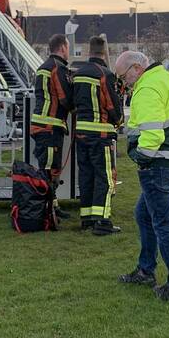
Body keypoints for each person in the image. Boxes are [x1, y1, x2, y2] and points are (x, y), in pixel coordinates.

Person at [113, 51, 169, 301]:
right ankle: (146, 269)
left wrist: (140, 157)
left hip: (159, 163)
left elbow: (153, 134)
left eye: (124, 76)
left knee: (163, 225)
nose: (123, 83)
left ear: (136, 68)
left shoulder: (147, 88)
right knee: (144, 215)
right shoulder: (165, 78)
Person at [73, 35, 123, 235]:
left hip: (81, 134)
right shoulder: (105, 74)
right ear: (104, 53)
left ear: (88, 51)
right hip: (101, 135)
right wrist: (119, 121)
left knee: (86, 176)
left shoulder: (78, 74)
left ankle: (86, 219)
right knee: (105, 178)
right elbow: (113, 106)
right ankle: (102, 222)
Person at [32, 33, 75, 219]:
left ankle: (53, 207)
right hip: (49, 128)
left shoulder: (44, 67)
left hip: (44, 127)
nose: (69, 51)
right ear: (63, 48)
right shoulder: (58, 69)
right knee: (49, 170)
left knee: (50, 168)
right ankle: (46, 210)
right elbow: (65, 98)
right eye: (68, 47)